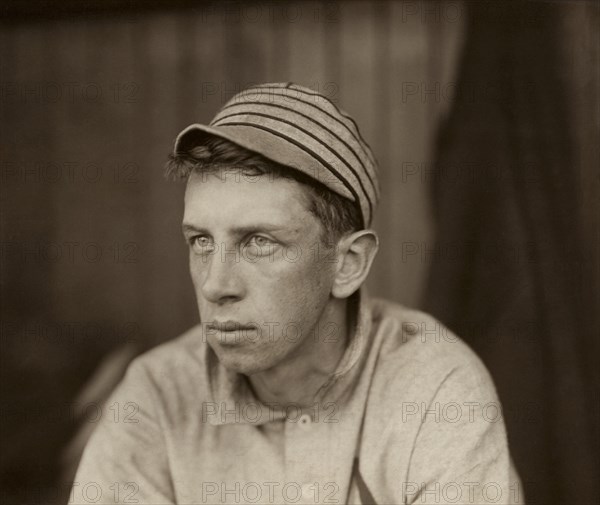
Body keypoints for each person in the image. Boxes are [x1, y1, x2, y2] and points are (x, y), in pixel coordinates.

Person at [71, 83, 523, 505]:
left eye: (259, 242)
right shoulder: (157, 394)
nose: (215, 284)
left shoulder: (434, 389)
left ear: (348, 265)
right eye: (202, 242)